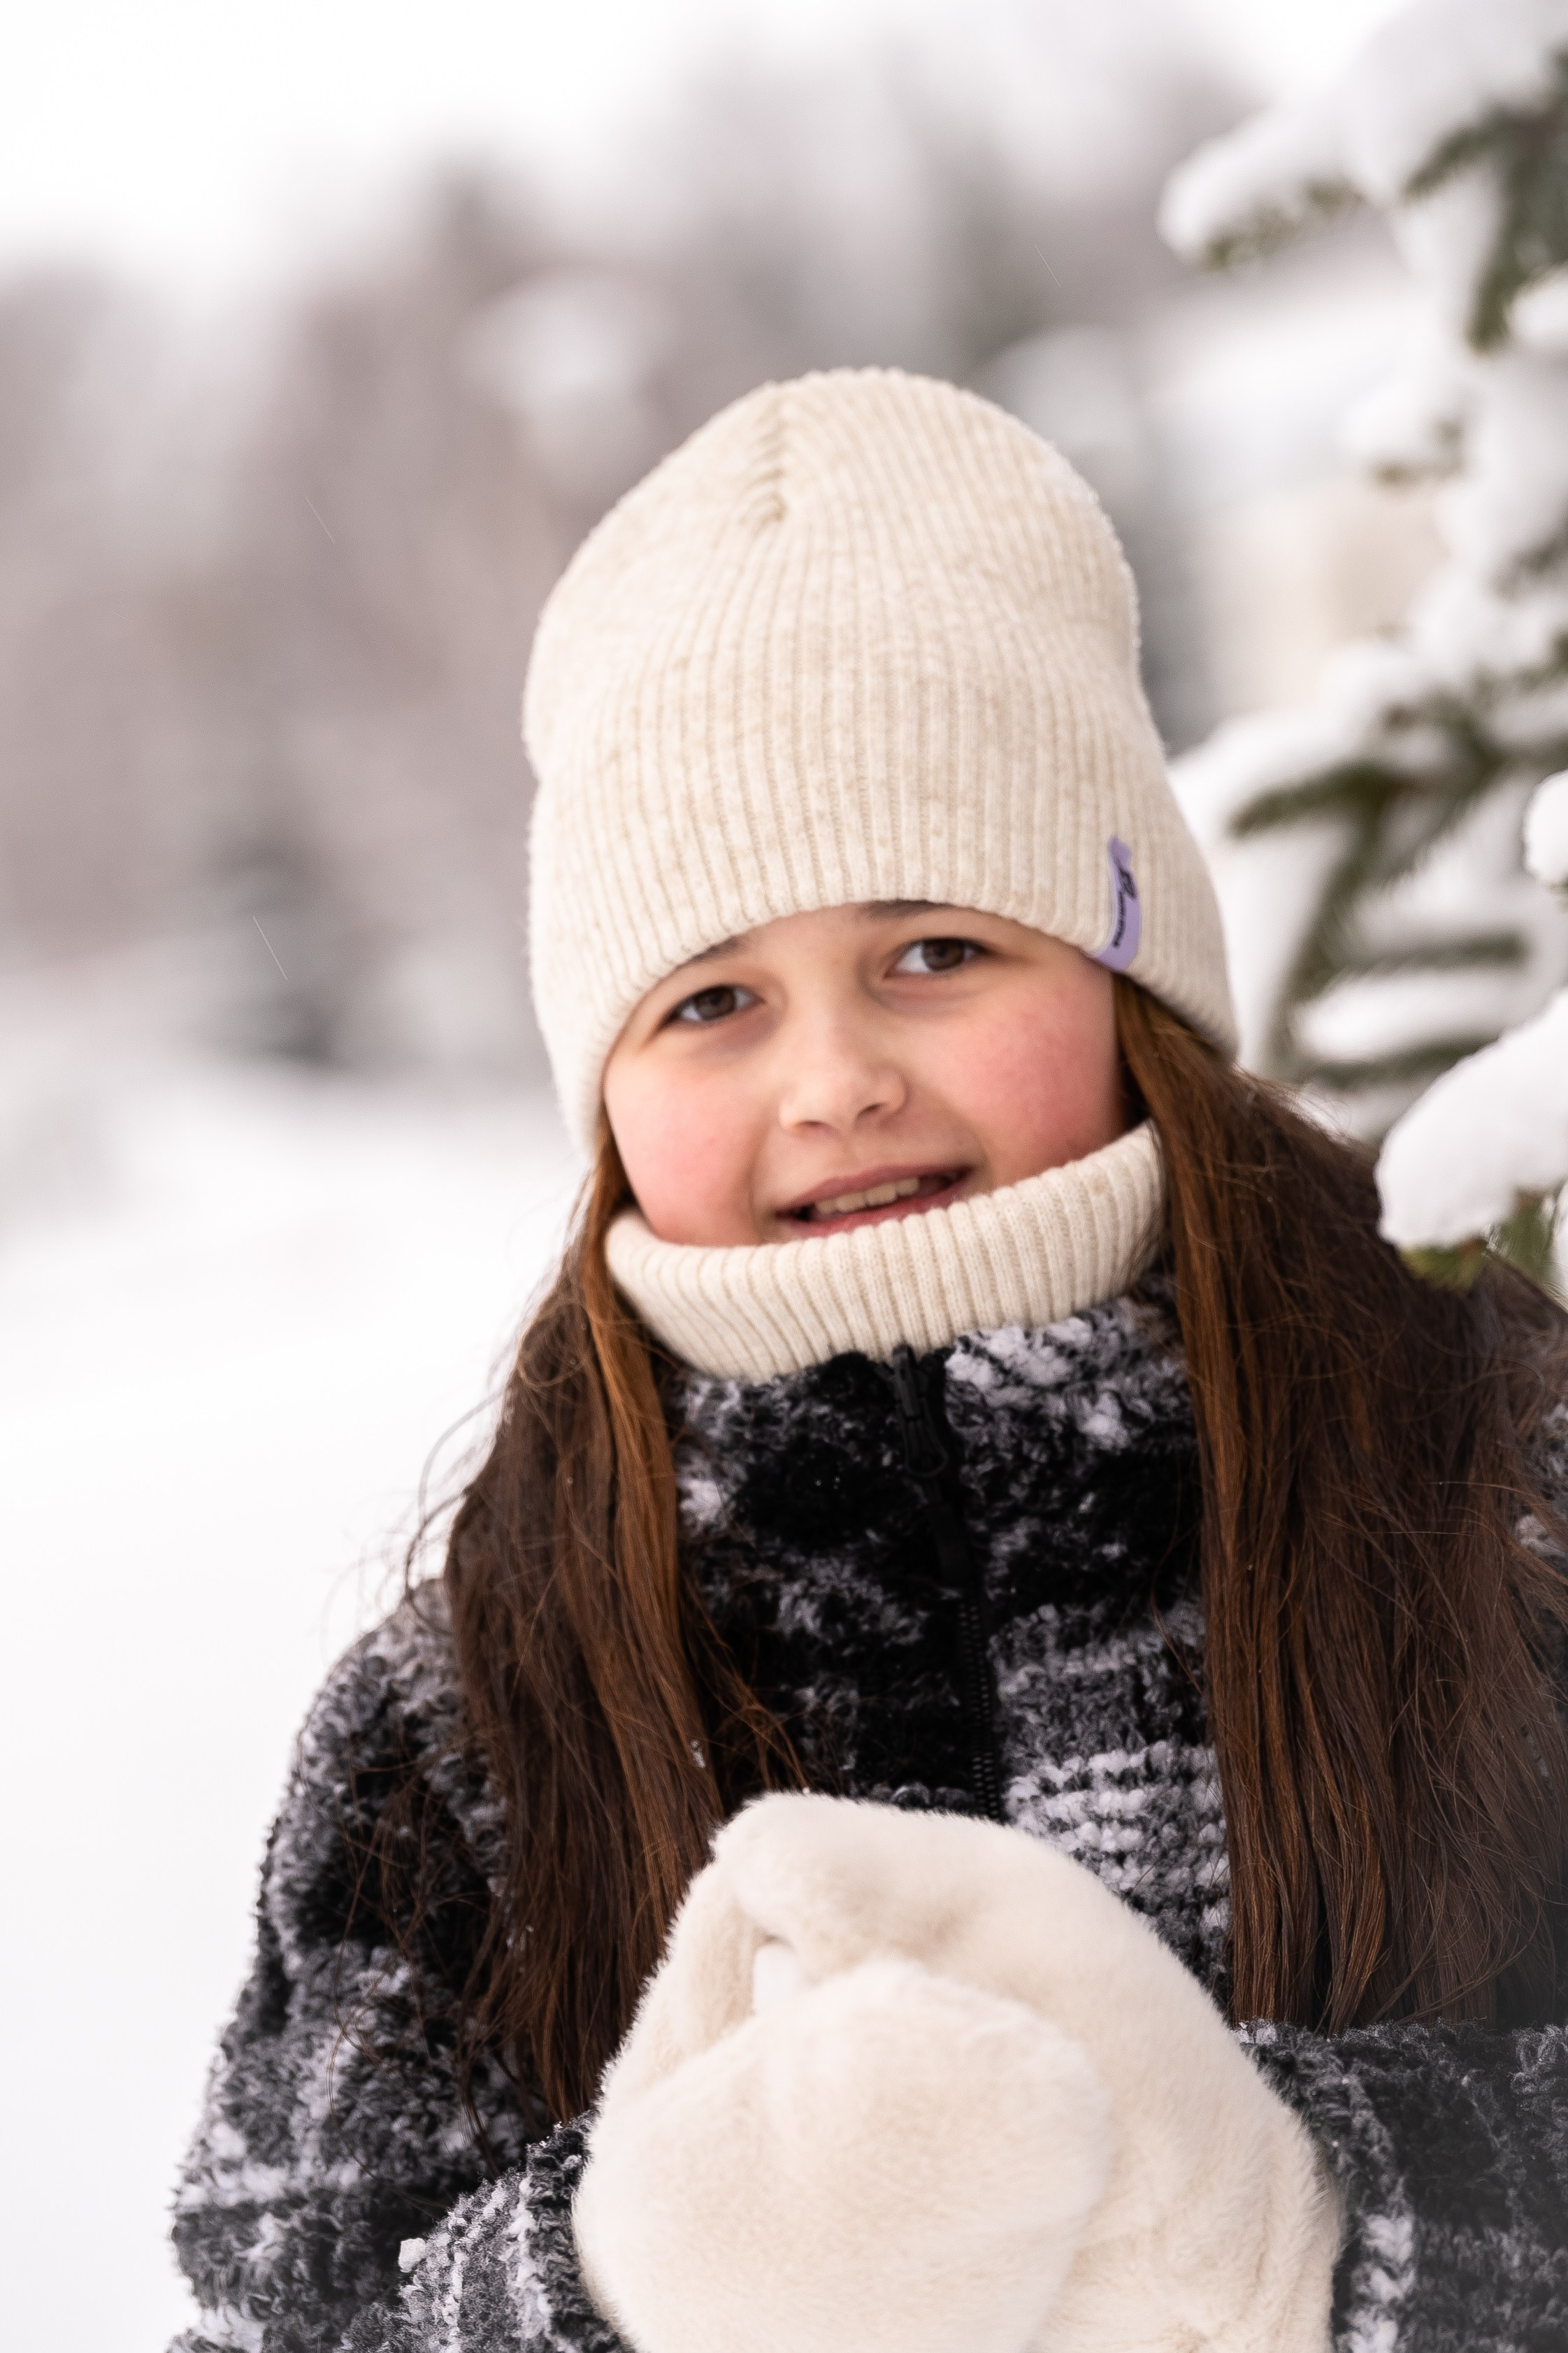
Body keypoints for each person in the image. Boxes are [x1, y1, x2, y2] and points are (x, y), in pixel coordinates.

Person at [171, 371, 1568, 2353]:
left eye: (933, 951)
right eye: (714, 1000)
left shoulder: (1503, 1483)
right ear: (604, 1090)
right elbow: (277, 2319)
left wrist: (1314, 2214)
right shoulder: (468, 1718)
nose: (834, 1081)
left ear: (1121, 969)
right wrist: (611, 2286)